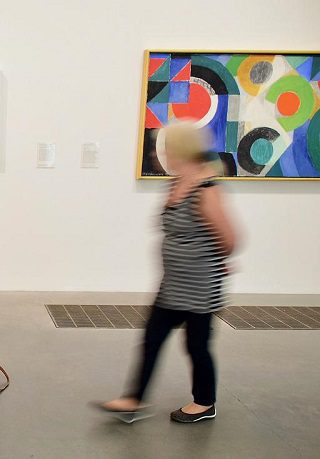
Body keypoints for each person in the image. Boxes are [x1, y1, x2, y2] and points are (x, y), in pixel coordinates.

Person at [98, 122, 237, 424]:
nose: (158, 154)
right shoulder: (176, 185)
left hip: (200, 287)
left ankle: (205, 403)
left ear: (181, 150)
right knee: (152, 338)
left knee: (196, 346)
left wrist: (212, 260)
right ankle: (133, 399)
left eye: (165, 148)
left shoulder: (206, 189)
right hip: (173, 284)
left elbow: (230, 239)